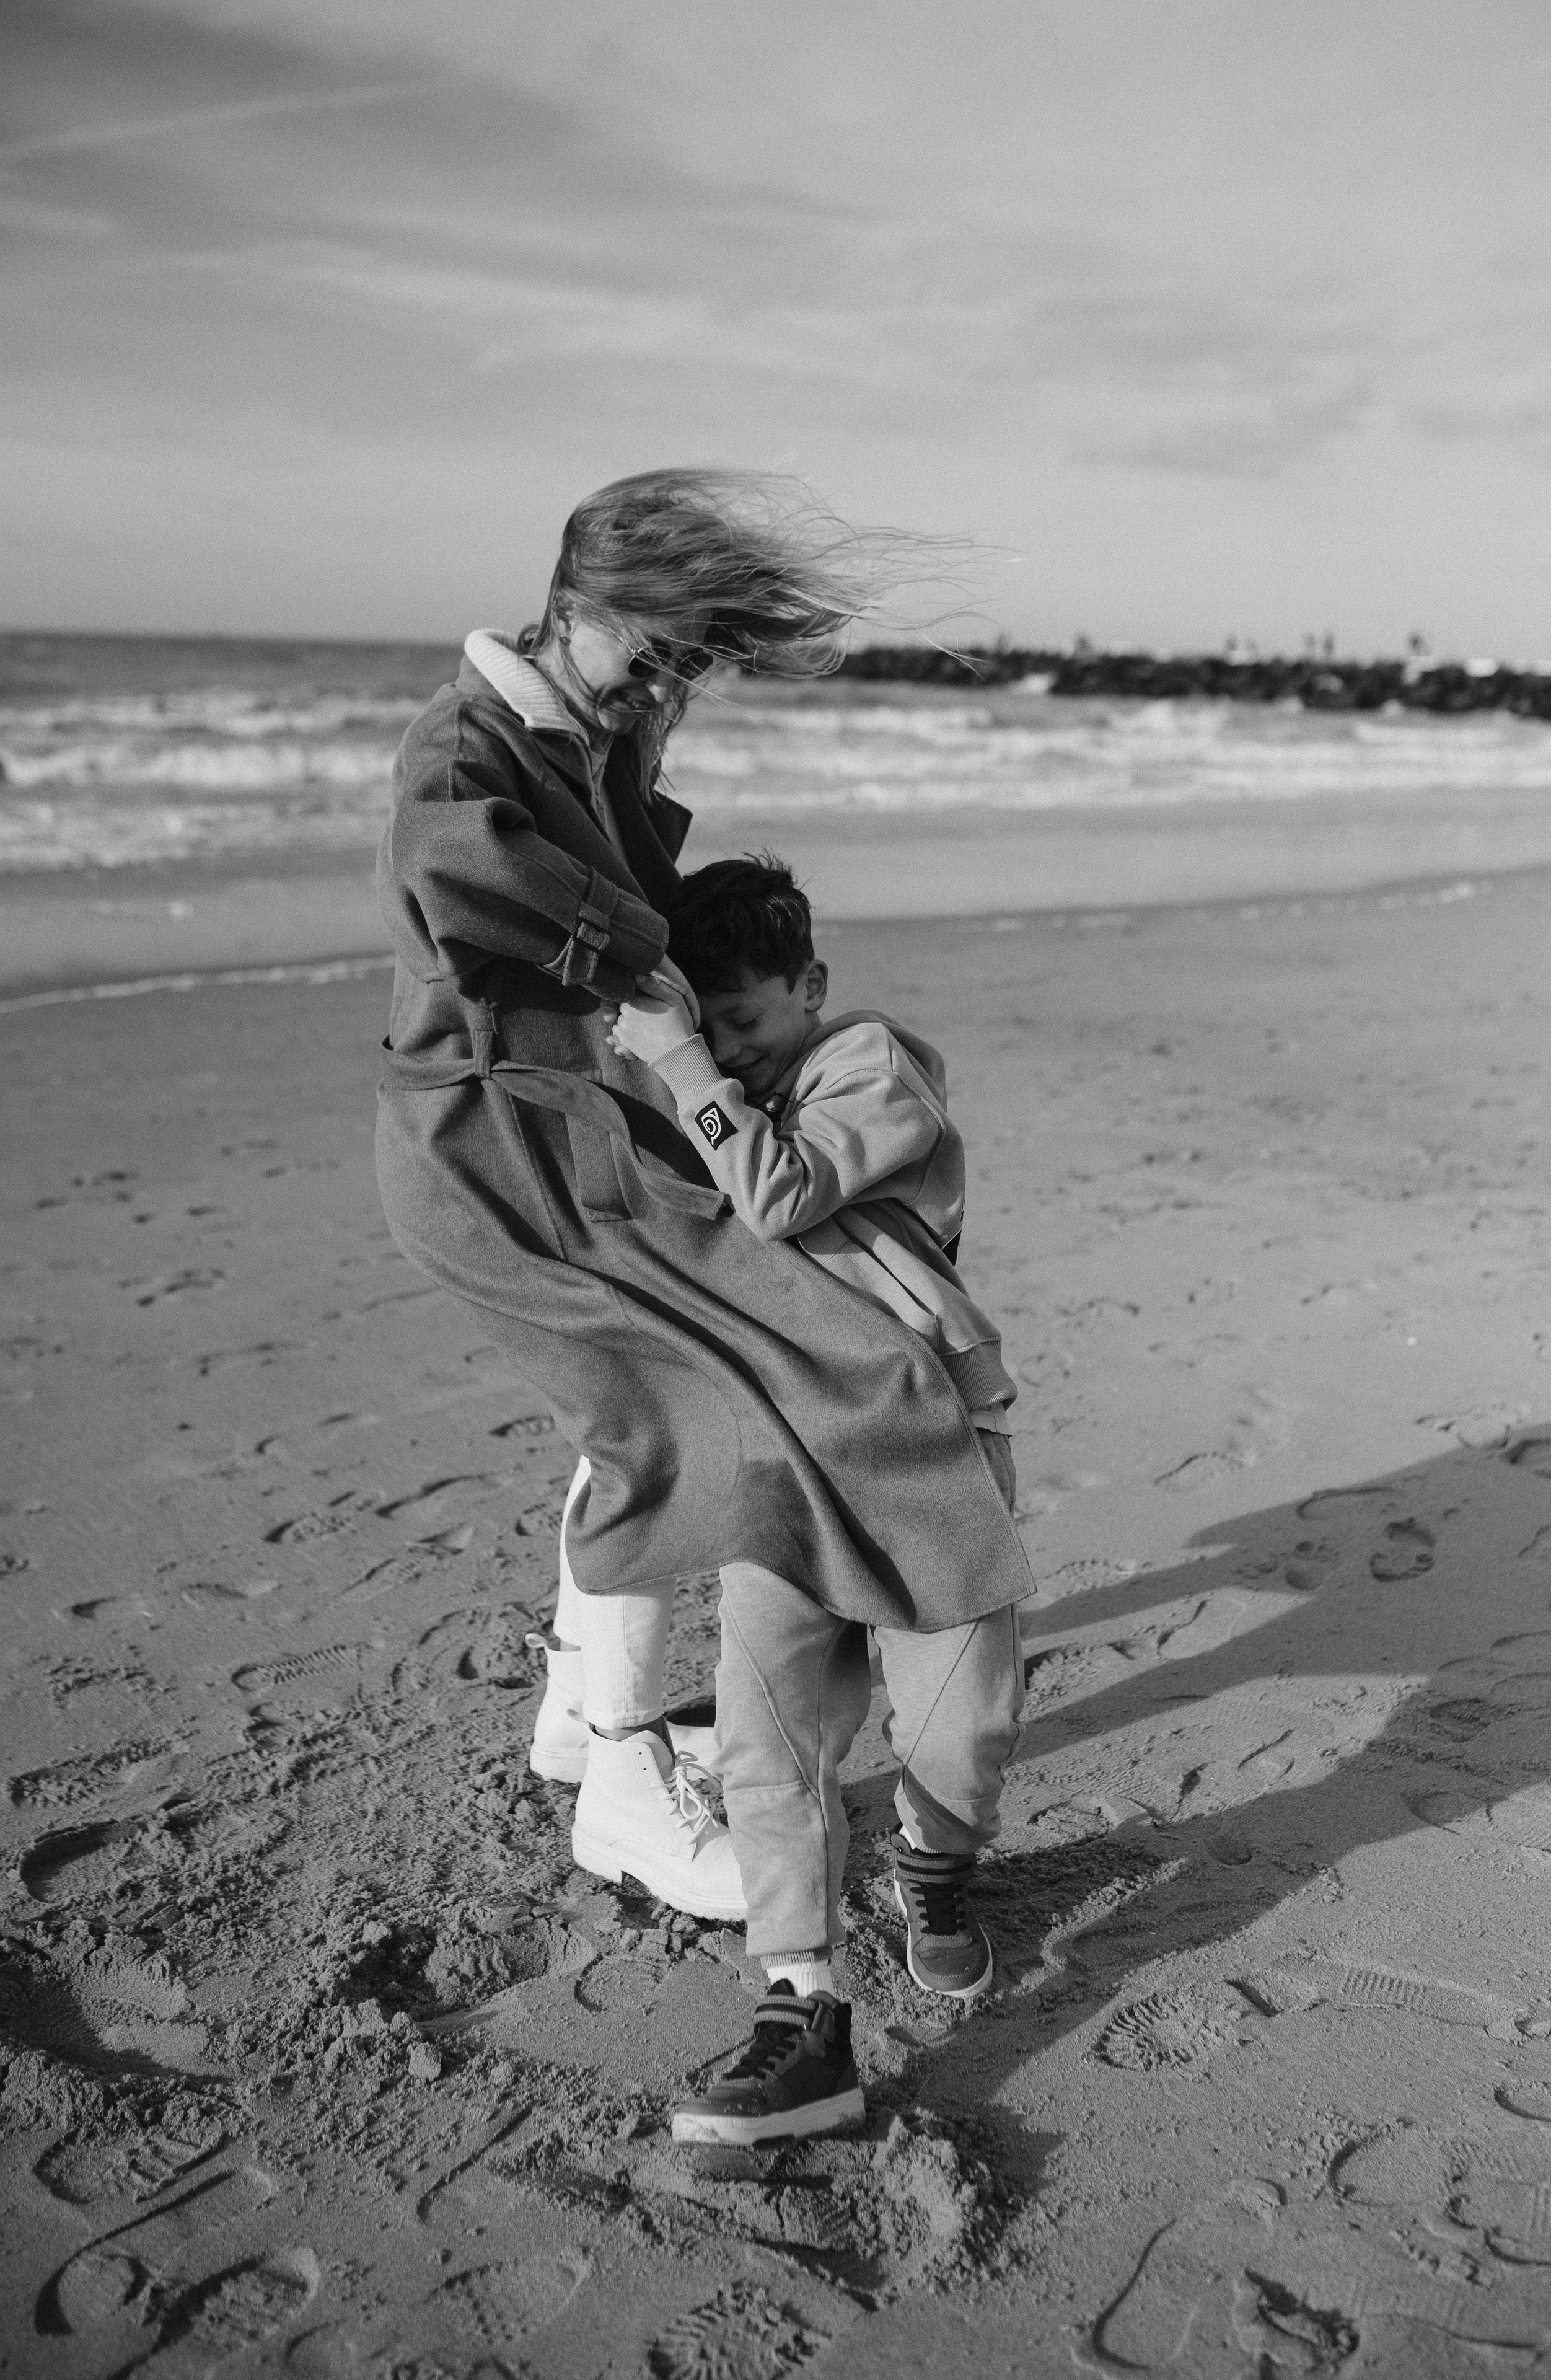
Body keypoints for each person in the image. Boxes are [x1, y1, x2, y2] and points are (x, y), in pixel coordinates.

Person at [373, 467, 1032, 2137]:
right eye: (647, 658)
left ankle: (602, 1726)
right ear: (575, 605)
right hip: (494, 1143)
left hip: (589, 1127)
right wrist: (648, 971)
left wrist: (634, 779)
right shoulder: (463, 749)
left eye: (683, 669)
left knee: (687, 1401)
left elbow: (637, 901)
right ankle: (619, 1764)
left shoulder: (596, 735)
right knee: (669, 1414)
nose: (660, 689)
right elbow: (464, 873)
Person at [605, 857, 1025, 2144]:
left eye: (746, 1021)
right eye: (705, 1022)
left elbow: (779, 1192)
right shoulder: (696, 1094)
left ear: (811, 989)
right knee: (765, 1728)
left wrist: (685, 1066)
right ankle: (796, 1996)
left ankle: (934, 1868)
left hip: (922, 1445)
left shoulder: (869, 1068)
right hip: (779, 1456)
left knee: (959, 1721)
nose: (725, 1049)